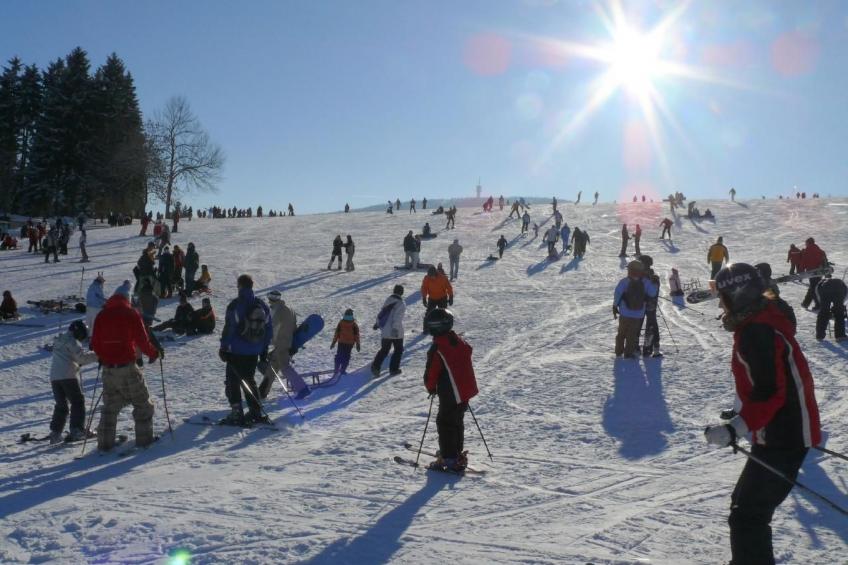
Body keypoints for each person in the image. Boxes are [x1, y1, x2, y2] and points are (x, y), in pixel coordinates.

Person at [704, 263, 821, 565]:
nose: (720, 303)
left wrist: (735, 429)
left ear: (738, 295)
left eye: (723, 296)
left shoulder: (756, 331)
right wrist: (742, 420)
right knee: (745, 509)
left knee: (748, 516)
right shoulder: (763, 321)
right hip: (779, 433)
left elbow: (771, 393)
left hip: (783, 436)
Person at [91, 282, 162, 451]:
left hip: (108, 370)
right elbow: (142, 341)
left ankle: (104, 444)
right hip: (127, 368)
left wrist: (104, 357)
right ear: (127, 299)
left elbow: (95, 343)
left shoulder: (102, 315)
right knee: (143, 405)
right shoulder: (131, 314)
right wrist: (153, 354)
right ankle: (144, 442)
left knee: (110, 408)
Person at [423, 308, 479, 473]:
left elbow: (431, 373)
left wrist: (431, 387)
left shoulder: (438, 347)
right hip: (465, 390)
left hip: (451, 392)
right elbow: (468, 350)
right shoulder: (457, 340)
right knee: (456, 421)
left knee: (445, 422)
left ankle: (449, 458)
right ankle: (455, 453)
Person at [218, 274, 273, 425]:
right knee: (249, 380)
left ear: (240, 286)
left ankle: (237, 412)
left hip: (236, 351)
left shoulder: (236, 305)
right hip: (254, 351)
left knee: (233, 381)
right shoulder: (262, 304)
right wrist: (263, 348)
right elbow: (269, 329)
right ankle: (255, 411)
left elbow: (229, 328)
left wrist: (223, 347)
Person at [48, 320, 99, 443]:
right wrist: (98, 356)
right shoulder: (72, 341)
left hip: (55, 378)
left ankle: (55, 433)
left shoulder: (59, 340)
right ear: (78, 332)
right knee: (77, 401)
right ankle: (77, 430)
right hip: (68, 376)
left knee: (61, 405)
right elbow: (82, 358)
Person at [258, 289, 300, 399]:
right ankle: (262, 392)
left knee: (285, 367)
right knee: (272, 369)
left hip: (281, 343)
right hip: (286, 343)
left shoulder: (278, 310)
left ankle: (302, 388)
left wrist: (267, 341)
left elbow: (273, 328)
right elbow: (295, 327)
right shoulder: (290, 309)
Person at [613, 260, 657, 358]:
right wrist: (651, 281)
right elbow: (653, 293)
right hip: (638, 313)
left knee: (621, 333)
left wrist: (615, 306)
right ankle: (628, 353)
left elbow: (617, 294)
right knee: (632, 335)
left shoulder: (624, 281)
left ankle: (618, 352)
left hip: (624, 313)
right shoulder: (645, 282)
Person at [371, 284, 406, 377]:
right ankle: (393, 369)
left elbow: (382, 314)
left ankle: (375, 366)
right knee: (398, 350)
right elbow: (397, 318)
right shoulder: (401, 303)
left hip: (385, 330)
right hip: (396, 332)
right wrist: (395, 329)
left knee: (385, 349)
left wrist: (377, 324)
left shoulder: (388, 301)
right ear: (401, 292)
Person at [639, 255, 662, 357]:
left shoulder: (641, 276)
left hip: (642, 305)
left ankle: (637, 348)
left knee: (640, 326)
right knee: (652, 327)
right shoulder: (653, 277)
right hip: (650, 306)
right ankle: (652, 349)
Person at [815, 275, 847, 341]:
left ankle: (819, 335)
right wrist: (838, 307)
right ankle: (840, 336)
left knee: (823, 312)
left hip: (824, 290)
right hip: (839, 289)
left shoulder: (820, 284)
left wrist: (825, 308)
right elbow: (845, 297)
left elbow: (819, 296)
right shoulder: (842, 285)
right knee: (839, 312)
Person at [799, 237, 828, 310]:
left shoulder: (806, 251)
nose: (805, 245)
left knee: (814, 289)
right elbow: (825, 261)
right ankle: (806, 303)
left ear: (808, 243)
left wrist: (801, 272)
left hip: (811, 273)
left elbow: (803, 263)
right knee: (814, 287)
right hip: (819, 272)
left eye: (806, 243)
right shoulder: (820, 250)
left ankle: (818, 305)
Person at [331, 308, 360, 376]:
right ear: (352, 316)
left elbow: (337, 333)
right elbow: (357, 335)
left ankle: (336, 370)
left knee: (339, 356)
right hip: (349, 344)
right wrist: (358, 344)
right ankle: (343, 370)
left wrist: (334, 342)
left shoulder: (341, 323)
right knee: (346, 356)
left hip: (341, 343)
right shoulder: (354, 325)